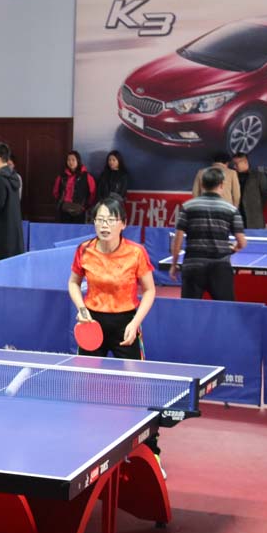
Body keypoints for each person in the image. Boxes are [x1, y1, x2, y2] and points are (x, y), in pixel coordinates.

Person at [67, 194, 160, 465]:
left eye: (110, 219)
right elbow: (73, 283)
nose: (104, 225)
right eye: (100, 219)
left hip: (125, 325)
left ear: (123, 224)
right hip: (92, 324)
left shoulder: (136, 252)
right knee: (86, 387)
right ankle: (87, 442)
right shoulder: (85, 250)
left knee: (137, 389)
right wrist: (81, 308)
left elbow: (150, 290)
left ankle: (151, 450)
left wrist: (135, 323)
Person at [169, 167, 247, 302]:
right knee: (225, 309)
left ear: (202, 185)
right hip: (220, 267)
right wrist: (235, 248)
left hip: (193, 265)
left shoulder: (188, 207)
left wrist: (174, 264)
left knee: (190, 309)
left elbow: (178, 239)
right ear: (222, 185)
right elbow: (242, 242)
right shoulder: (231, 209)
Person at [52, 151, 96, 223]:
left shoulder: (87, 176)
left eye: (73, 160)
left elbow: (92, 193)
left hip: (80, 210)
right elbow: (55, 191)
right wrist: (61, 204)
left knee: (78, 229)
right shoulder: (62, 176)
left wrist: (85, 206)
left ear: (78, 161)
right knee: (65, 228)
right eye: (68, 160)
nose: (70, 162)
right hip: (64, 209)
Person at [232, 152, 267, 229]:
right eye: (233, 164)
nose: (234, 166)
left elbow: (265, 195)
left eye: (236, 164)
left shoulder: (258, 176)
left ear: (245, 162)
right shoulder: (233, 176)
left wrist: (256, 207)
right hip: (237, 215)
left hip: (254, 216)